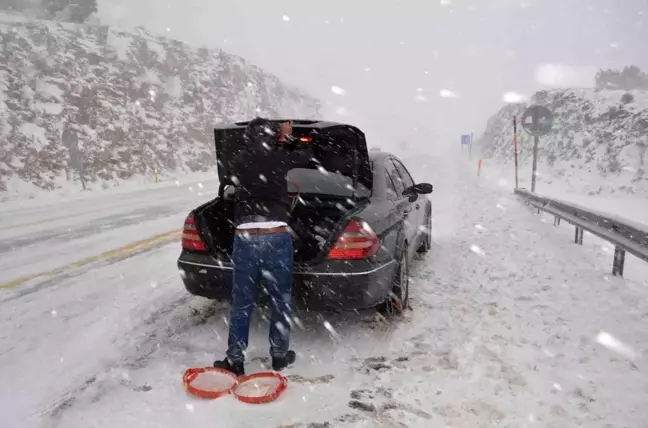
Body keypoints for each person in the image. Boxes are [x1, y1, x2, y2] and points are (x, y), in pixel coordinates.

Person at [213, 117, 316, 376]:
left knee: (242, 302)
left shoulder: (238, 160)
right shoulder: (281, 157)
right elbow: (308, 155)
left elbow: (227, 181)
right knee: (280, 300)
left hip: (245, 237)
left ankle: (235, 359)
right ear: (272, 137)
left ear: (248, 138)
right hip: (276, 235)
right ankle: (279, 356)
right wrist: (287, 138)